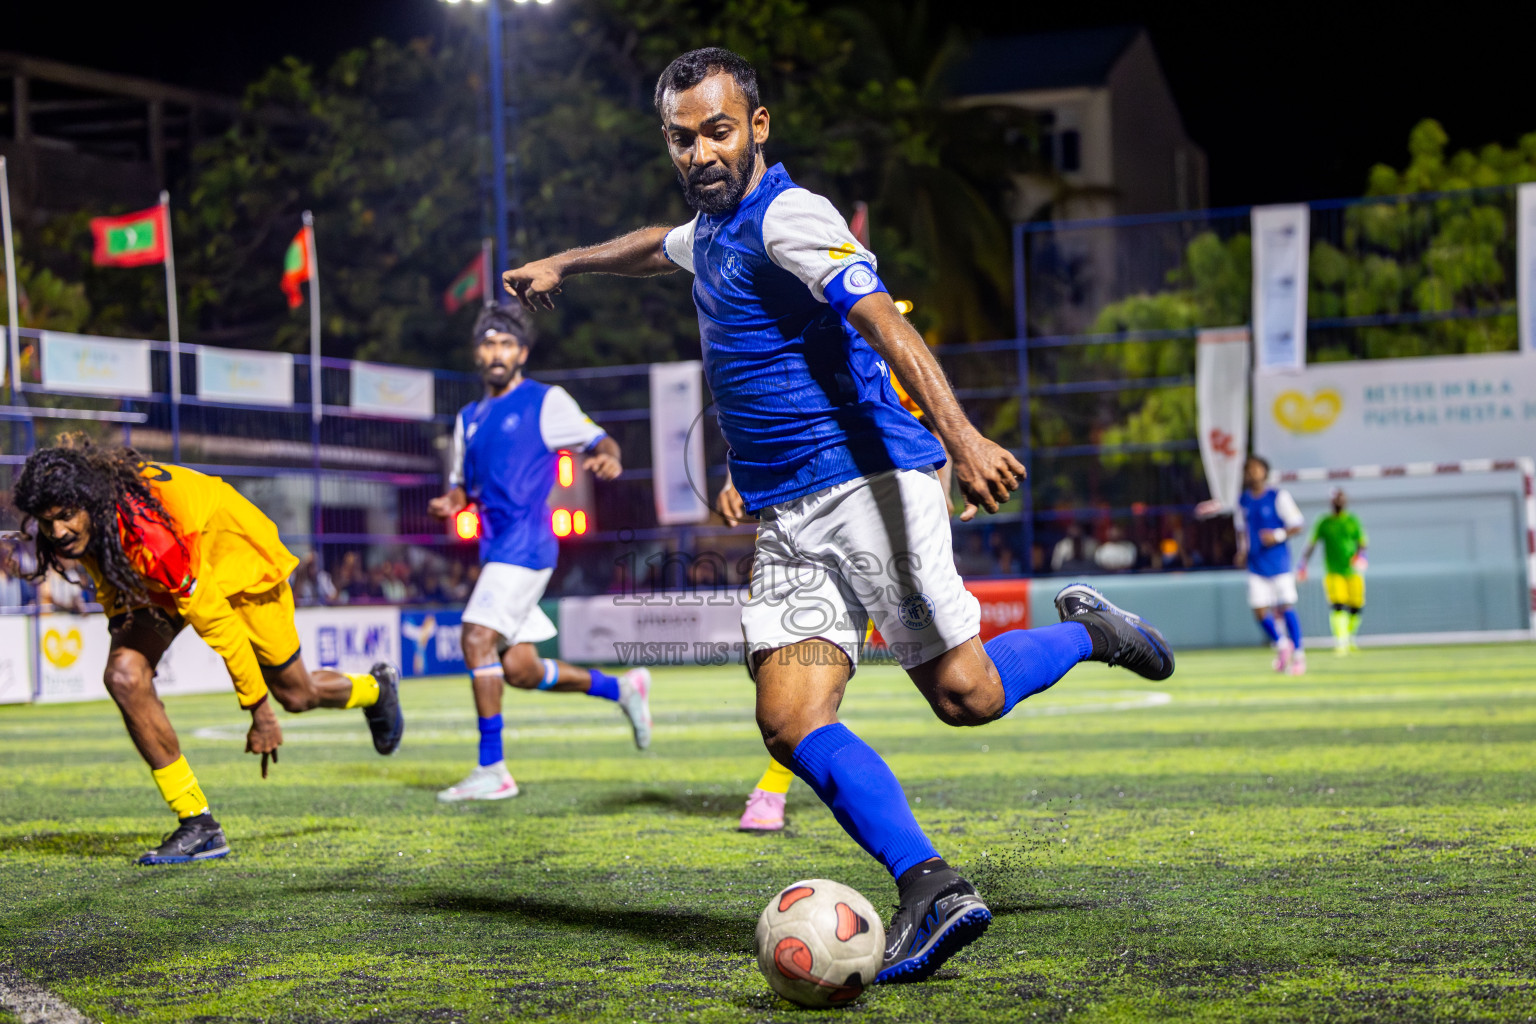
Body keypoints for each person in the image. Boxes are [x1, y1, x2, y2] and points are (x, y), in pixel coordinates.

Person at [502, 47, 1174, 983]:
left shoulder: (790, 215)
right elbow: (656, 246)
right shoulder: (715, 229)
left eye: (718, 132)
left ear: (759, 127)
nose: (700, 153)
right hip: (787, 515)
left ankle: (1091, 635)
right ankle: (930, 885)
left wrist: (964, 437)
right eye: (681, 137)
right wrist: (566, 264)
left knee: (965, 696)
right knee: (788, 718)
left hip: (869, 489)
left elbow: (884, 324)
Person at [10, 438, 403, 864]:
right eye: (47, 522)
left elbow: (218, 624)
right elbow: (108, 578)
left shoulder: (149, 535)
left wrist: (259, 711)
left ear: (89, 501)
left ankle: (375, 689)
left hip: (237, 564)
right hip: (170, 572)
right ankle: (198, 824)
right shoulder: (78, 526)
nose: (58, 531)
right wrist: (128, 635)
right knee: (125, 674)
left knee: (296, 695)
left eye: (66, 517)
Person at [428, 305, 653, 803]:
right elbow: (461, 488)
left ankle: (493, 770)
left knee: (475, 637)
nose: (497, 353)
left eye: (506, 344)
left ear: (522, 353)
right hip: (497, 551)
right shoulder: (467, 418)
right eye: (488, 344)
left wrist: (608, 457)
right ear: (477, 353)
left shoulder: (546, 402)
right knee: (521, 670)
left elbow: (600, 438)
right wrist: (451, 501)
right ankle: (623, 690)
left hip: (526, 546)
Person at [1235, 454, 1306, 674]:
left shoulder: (1278, 496)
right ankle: (1282, 644)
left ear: (1265, 471)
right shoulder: (1243, 500)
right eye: (1249, 469)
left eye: (1256, 468)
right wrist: (1242, 551)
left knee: (1286, 606)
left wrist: (1276, 535)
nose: (1253, 472)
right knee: (1258, 610)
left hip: (1279, 563)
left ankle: (1299, 655)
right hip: (1256, 564)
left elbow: (1297, 524)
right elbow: (1241, 529)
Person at [1299, 488, 1368, 655]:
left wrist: (1362, 557)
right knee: (1338, 605)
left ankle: (1349, 637)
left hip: (1353, 571)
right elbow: (1312, 544)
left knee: (1356, 607)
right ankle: (1341, 641)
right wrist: (1302, 565)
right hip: (1333, 571)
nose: (1338, 502)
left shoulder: (1352, 521)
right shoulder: (1324, 522)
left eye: (1341, 498)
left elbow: (1362, 542)